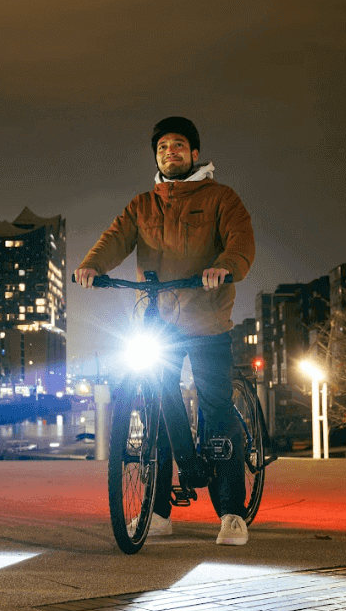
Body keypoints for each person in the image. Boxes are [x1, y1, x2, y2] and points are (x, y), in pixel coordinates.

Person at [74, 116, 255, 546]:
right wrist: (93, 265)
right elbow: (114, 239)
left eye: (177, 146)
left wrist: (224, 267)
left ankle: (231, 511)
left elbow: (241, 241)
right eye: (161, 148)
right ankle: (158, 509)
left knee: (215, 409)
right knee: (156, 404)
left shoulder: (220, 198)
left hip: (207, 317)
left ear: (195, 154)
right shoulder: (142, 204)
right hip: (156, 321)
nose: (168, 153)